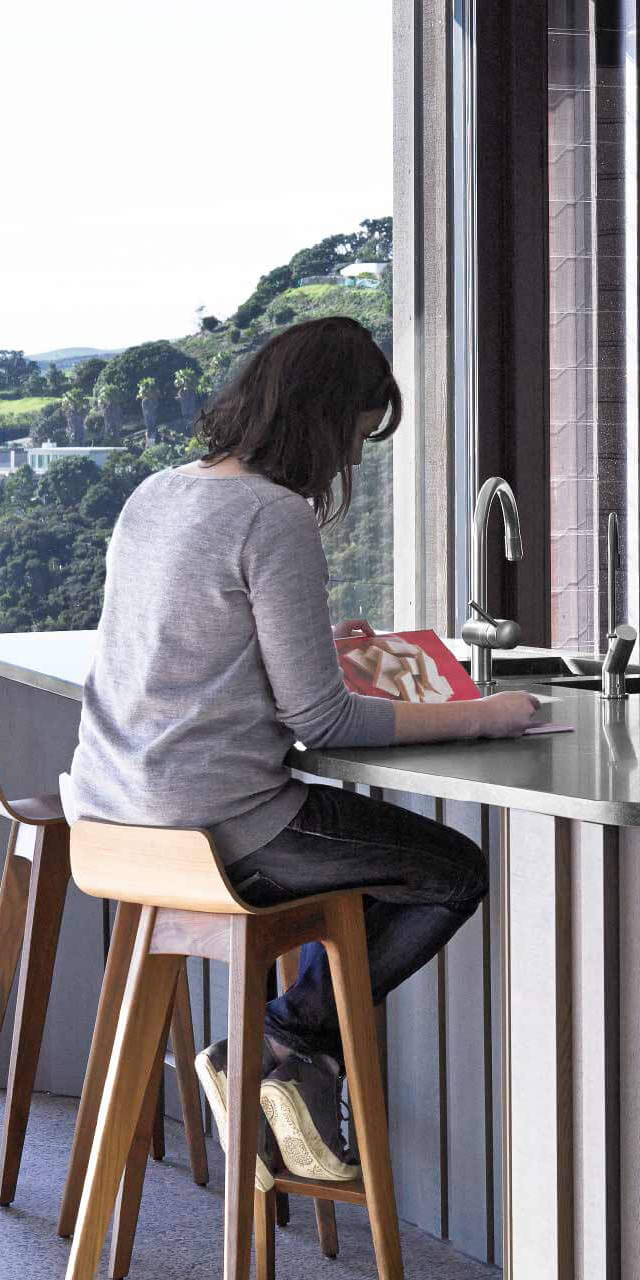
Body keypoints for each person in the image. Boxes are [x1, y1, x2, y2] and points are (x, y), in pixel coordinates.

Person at [66, 316, 538, 1184]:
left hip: (112, 817)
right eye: (355, 441)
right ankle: (284, 1042)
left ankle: (287, 1058)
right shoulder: (273, 515)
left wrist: (317, 641)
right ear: (324, 421)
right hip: (221, 824)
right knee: (450, 870)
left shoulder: (159, 492)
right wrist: (489, 714)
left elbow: (197, 644)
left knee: (359, 879)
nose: (350, 467)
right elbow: (324, 723)